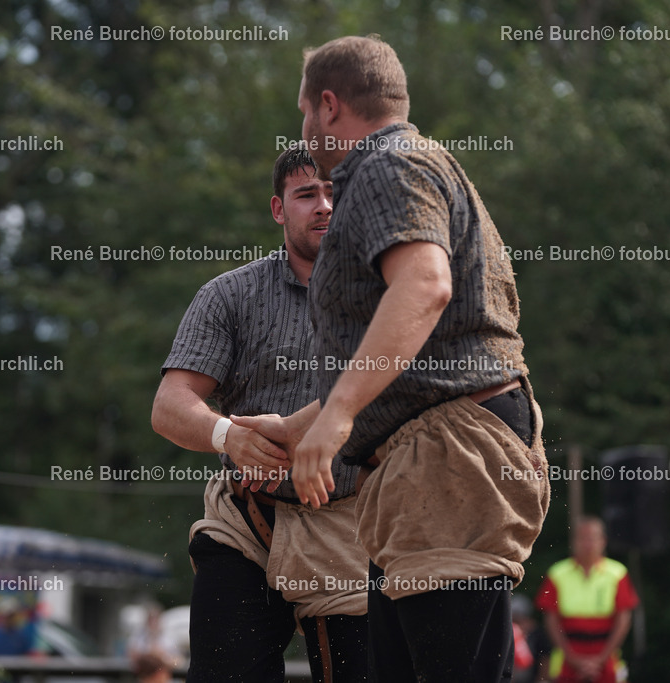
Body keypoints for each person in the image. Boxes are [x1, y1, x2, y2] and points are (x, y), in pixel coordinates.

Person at [232, 35, 550, 681]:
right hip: (429, 464)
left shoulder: (385, 163)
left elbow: (425, 285)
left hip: (448, 461)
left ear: (328, 105)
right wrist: (298, 428)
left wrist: (338, 417)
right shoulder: (409, 163)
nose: (302, 127)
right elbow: (417, 354)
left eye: (302, 111)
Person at [152, 145, 369, 682]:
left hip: (353, 523)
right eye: (306, 195)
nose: (323, 206)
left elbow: (407, 386)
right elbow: (169, 406)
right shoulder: (229, 294)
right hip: (248, 521)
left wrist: (301, 429)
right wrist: (228, 436)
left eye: (334, 194)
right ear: (278, 209)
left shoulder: (389, 296)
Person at [535, 517, 638, 683]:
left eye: (592, 538)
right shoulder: (557, 574)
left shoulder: (618, 573)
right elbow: (550, 620)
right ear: (574, 541)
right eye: (583, 538)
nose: (588, 544)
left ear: (603, 541)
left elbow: (623, 620)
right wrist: (573, 659)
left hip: (607, 660)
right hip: (566, 660)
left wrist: (600, 660)